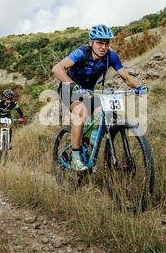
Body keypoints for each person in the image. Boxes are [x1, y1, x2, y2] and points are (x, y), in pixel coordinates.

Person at [52, 24, 148, 171]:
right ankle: (76, 158)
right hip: (69, 89)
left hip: (89, 92)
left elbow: (125, 77)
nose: (103, 46)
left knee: (103, 116)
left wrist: (138, 88)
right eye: (99, 42)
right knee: (81, 112)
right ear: (91, 42)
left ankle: (91, 146)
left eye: (106, 43)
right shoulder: (81, 52)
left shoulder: (111, 57)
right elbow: (57, 68)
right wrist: (72, 85)